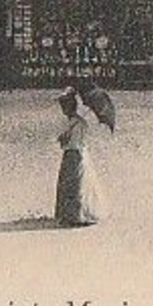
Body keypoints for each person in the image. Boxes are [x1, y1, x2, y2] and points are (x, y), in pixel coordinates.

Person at [54, 88, 105, 227]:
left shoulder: (79, 123)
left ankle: (77, 216)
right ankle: (69, 215)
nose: (63, 110)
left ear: (71, 107)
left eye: (65, 106)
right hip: (71, 154)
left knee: (76, 185)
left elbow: (75, 143)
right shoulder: (73, 122)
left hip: (75, 155)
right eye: (63, 107)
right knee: (70, 184)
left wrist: (64, 140)